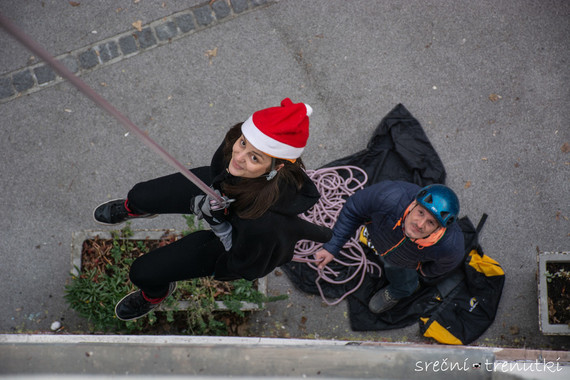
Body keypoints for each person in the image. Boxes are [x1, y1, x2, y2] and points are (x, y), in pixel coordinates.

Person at [93, 98, 332, 321]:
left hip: (233, 239)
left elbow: (245, 265)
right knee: (140, 195)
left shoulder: (266, 224)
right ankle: (136, 208)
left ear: (277, 167)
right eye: (243, 143)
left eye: (255, 158)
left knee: (143, 272)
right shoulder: (235, 150)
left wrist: (220, 224)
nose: (238, 157)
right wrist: (218, 194)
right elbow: (231, 159)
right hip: (219, 190)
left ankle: (154, 294)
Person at [314, 181, 464, 314]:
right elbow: (354, 209)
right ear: (413, 204)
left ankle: (400, 290)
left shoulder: (450, 246)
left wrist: (422, 270)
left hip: (405, 262)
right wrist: (332, 247)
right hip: (381, 237)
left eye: (430, 222)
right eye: (420, 213)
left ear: (438, 229)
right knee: (385, 254)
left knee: (401, 275)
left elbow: (446, 264)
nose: (420, 224)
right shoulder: (388, 196)